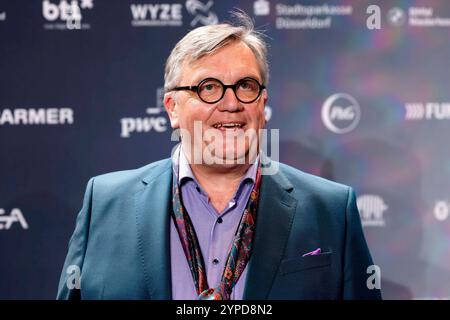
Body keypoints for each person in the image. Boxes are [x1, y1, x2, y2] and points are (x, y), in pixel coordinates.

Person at [57, 11, 381, 300]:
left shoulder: (333, 211)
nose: (231, 104)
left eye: (246, 86)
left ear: (263, 104)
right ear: (172, 108)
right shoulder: (104, 203)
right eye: (208, 88)